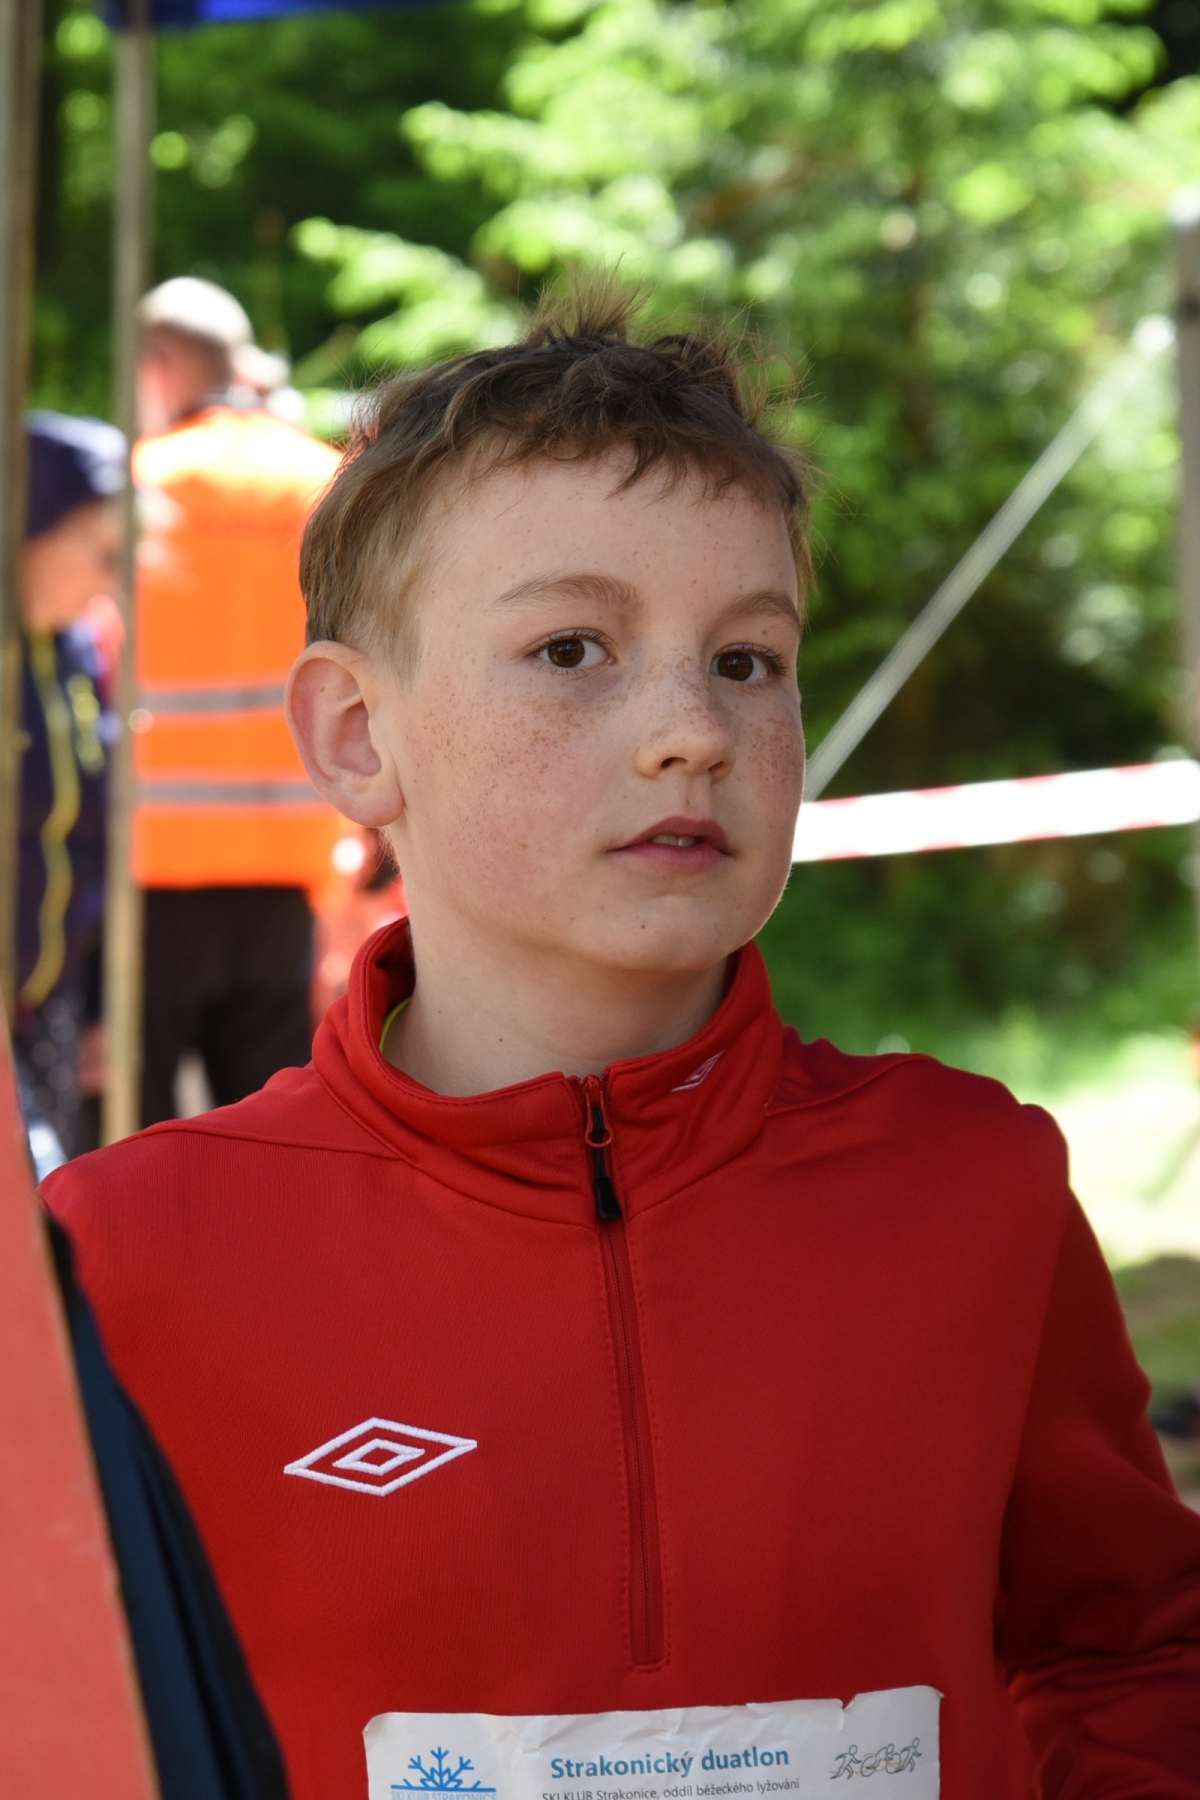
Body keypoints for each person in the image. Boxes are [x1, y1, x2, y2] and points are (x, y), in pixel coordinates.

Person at [44, 291, 1200, 1800]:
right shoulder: (122, 1258)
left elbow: (1133, 1654)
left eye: (747, 661)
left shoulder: (976, 1187)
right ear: (355, 736)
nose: (692, 731)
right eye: (573, 647)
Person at [131, 276, 344, 1126]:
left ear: (157, 368)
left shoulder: (138, 485)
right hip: (292, 867)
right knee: (270, 1142)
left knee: (133, 1149)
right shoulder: (327, 484)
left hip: (149, 871)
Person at [16, 411, 124, 1174]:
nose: (112, 582)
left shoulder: (77, 650)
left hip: (47, 1005)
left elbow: (92, 837)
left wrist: (95, 1009)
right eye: (102, 553)